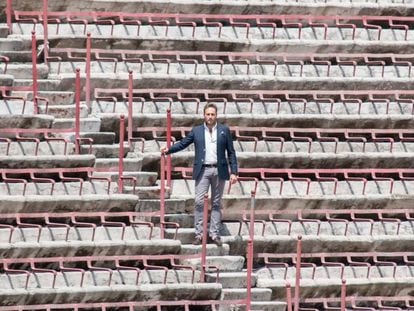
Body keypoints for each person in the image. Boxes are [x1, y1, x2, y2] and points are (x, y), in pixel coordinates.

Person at [160, 103, 238, 246]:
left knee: (216, 203)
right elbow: (183, 143)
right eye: (207, 114)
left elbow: (231, 152)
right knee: (199, 202)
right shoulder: (196, 131)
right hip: (203, 169)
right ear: (204, 115)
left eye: (212, 114)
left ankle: (214, 234)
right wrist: (169, 149)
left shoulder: (224, 130)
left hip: (219, 170)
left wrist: (234, 172)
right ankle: (199, 234)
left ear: (216, 115)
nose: (210, 117)